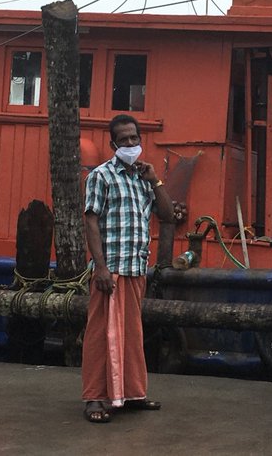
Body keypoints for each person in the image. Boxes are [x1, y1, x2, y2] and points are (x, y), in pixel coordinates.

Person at [81, 114, 176, 424]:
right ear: (113, 145)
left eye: (135, 138)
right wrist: (100, 268)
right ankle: (95, 397)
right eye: (124, 140)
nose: (131, 143)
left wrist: (155, 180)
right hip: (112, 269)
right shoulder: (101, 176)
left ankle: (133, 393)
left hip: (136, 268)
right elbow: (91, 220)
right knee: (100, 335)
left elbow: (167, 215)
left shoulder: (143, 178)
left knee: (132, 334)